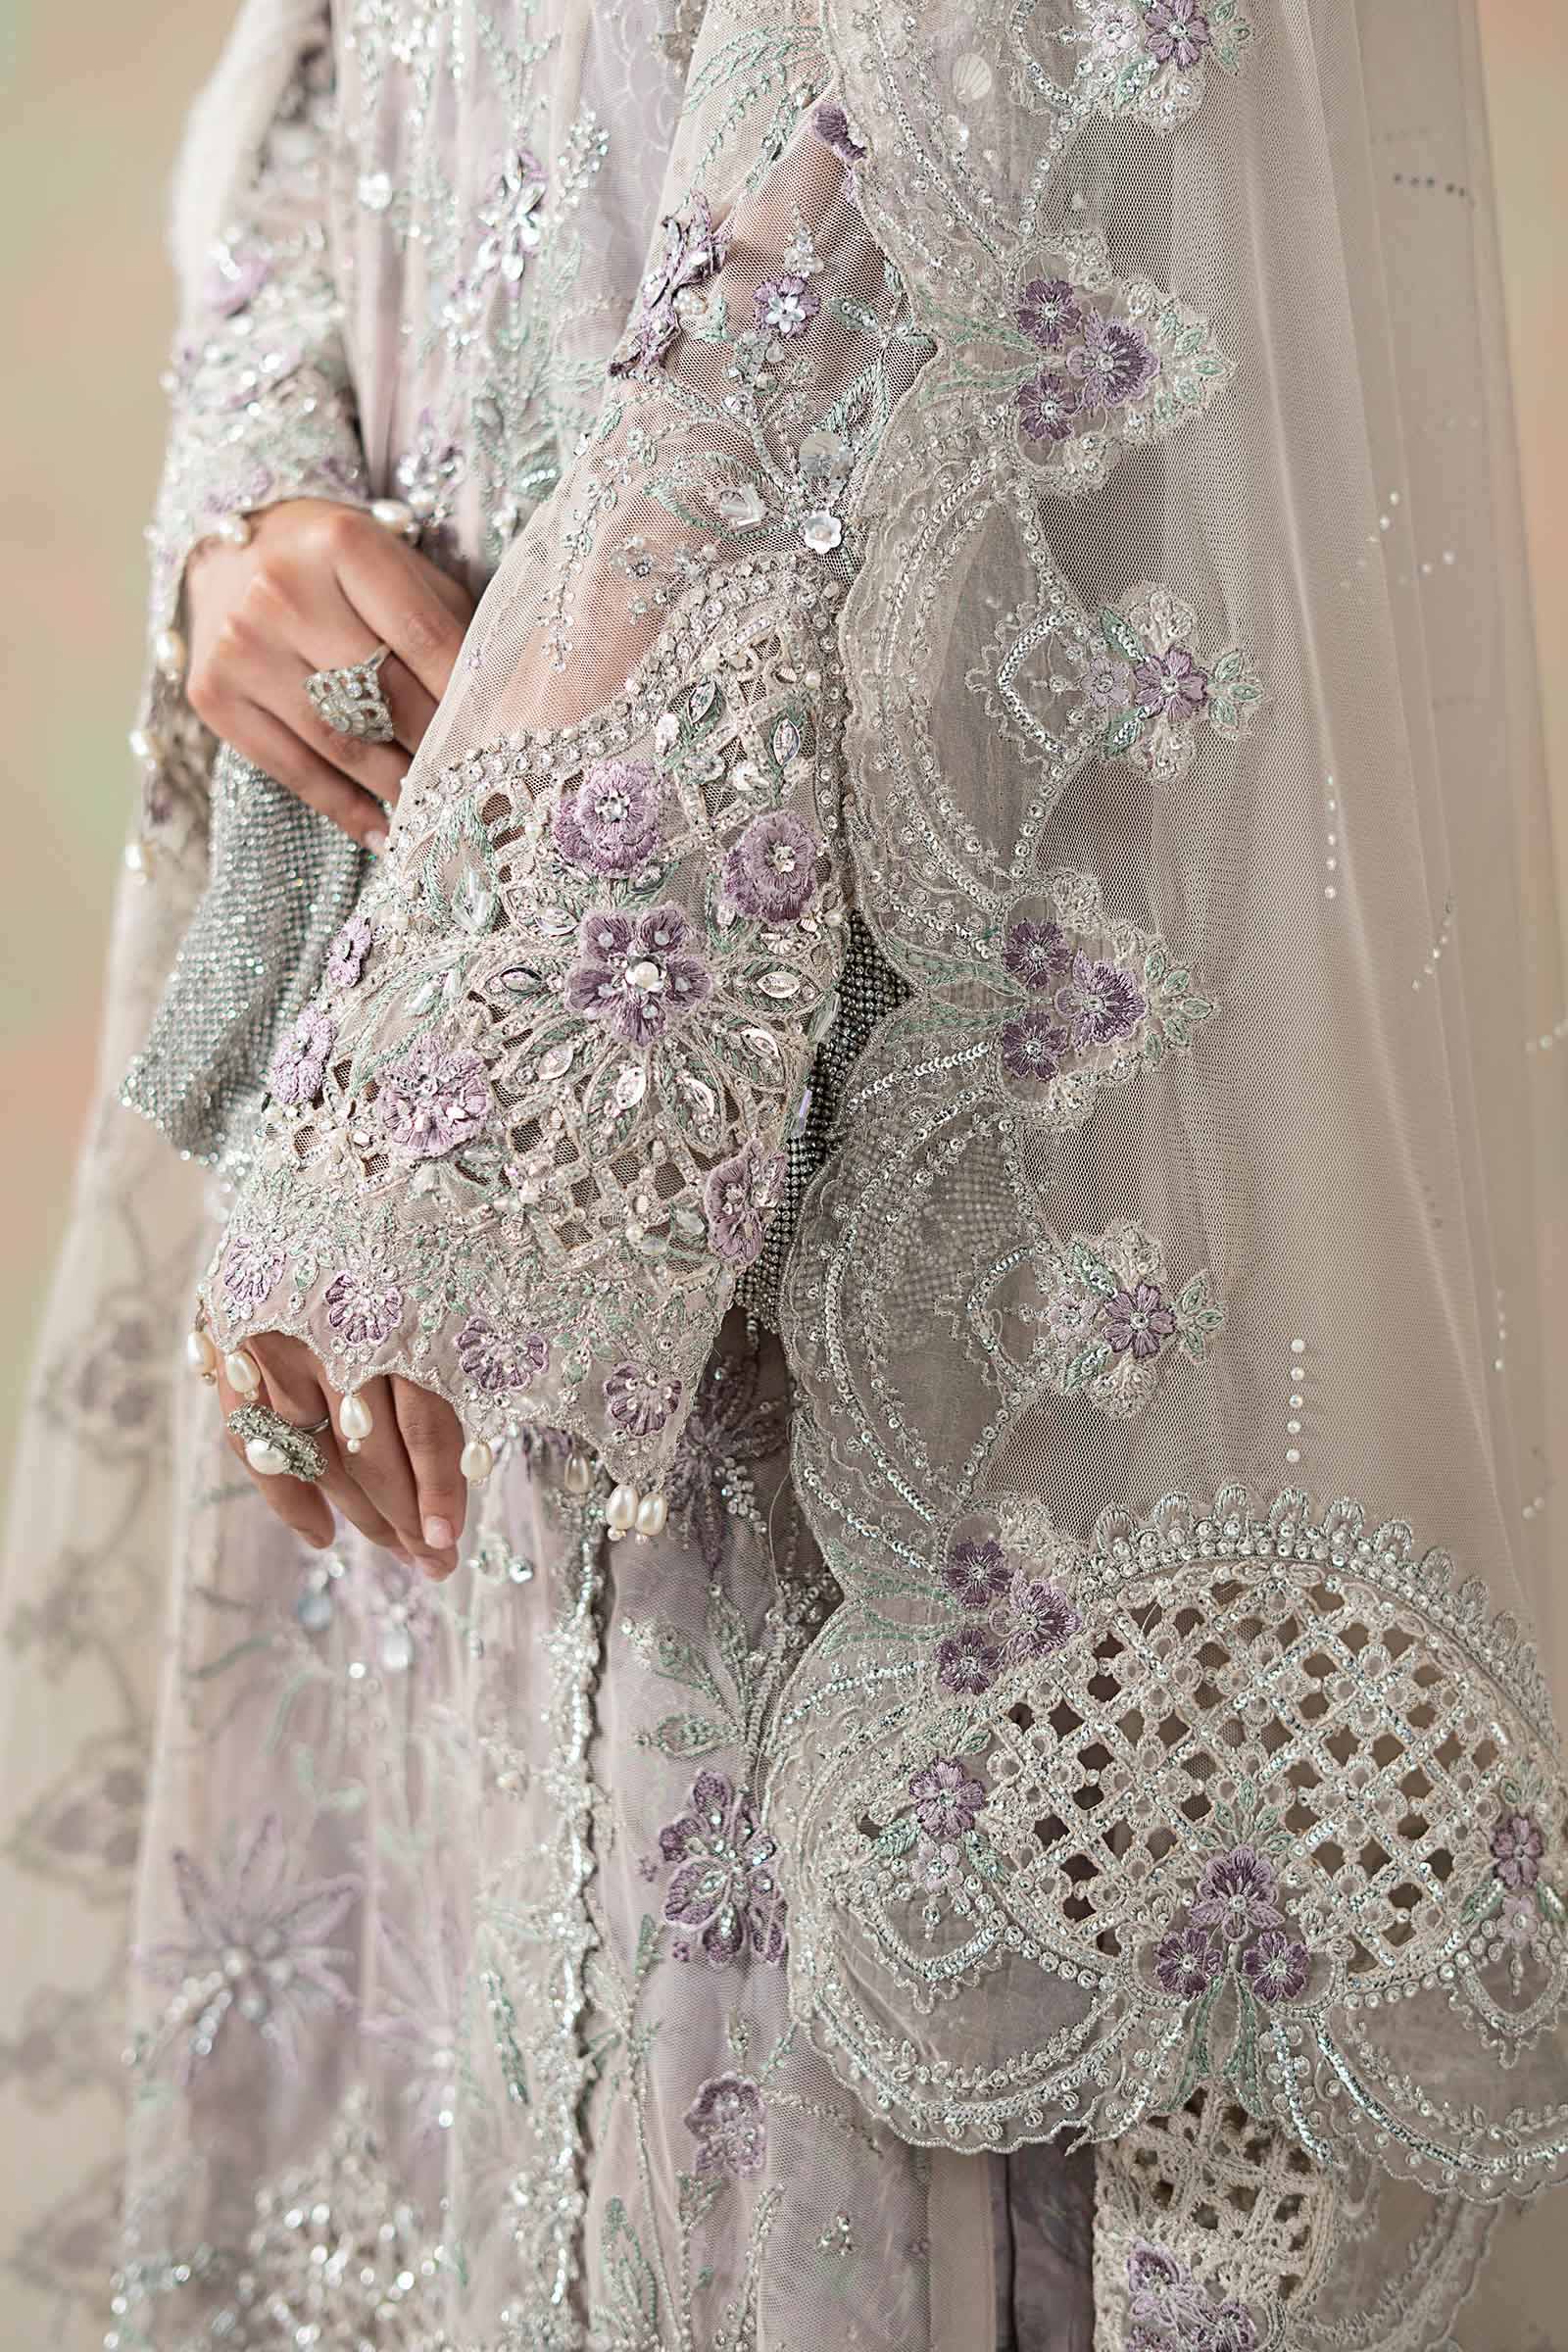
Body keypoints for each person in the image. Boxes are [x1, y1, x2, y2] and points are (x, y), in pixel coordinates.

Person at [3, 0, 1566, 2343]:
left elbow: (891, 166)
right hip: (409, 875)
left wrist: (473, 1022)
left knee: (785, 1972)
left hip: (797, 945)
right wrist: (251, 494)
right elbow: (312, 70)